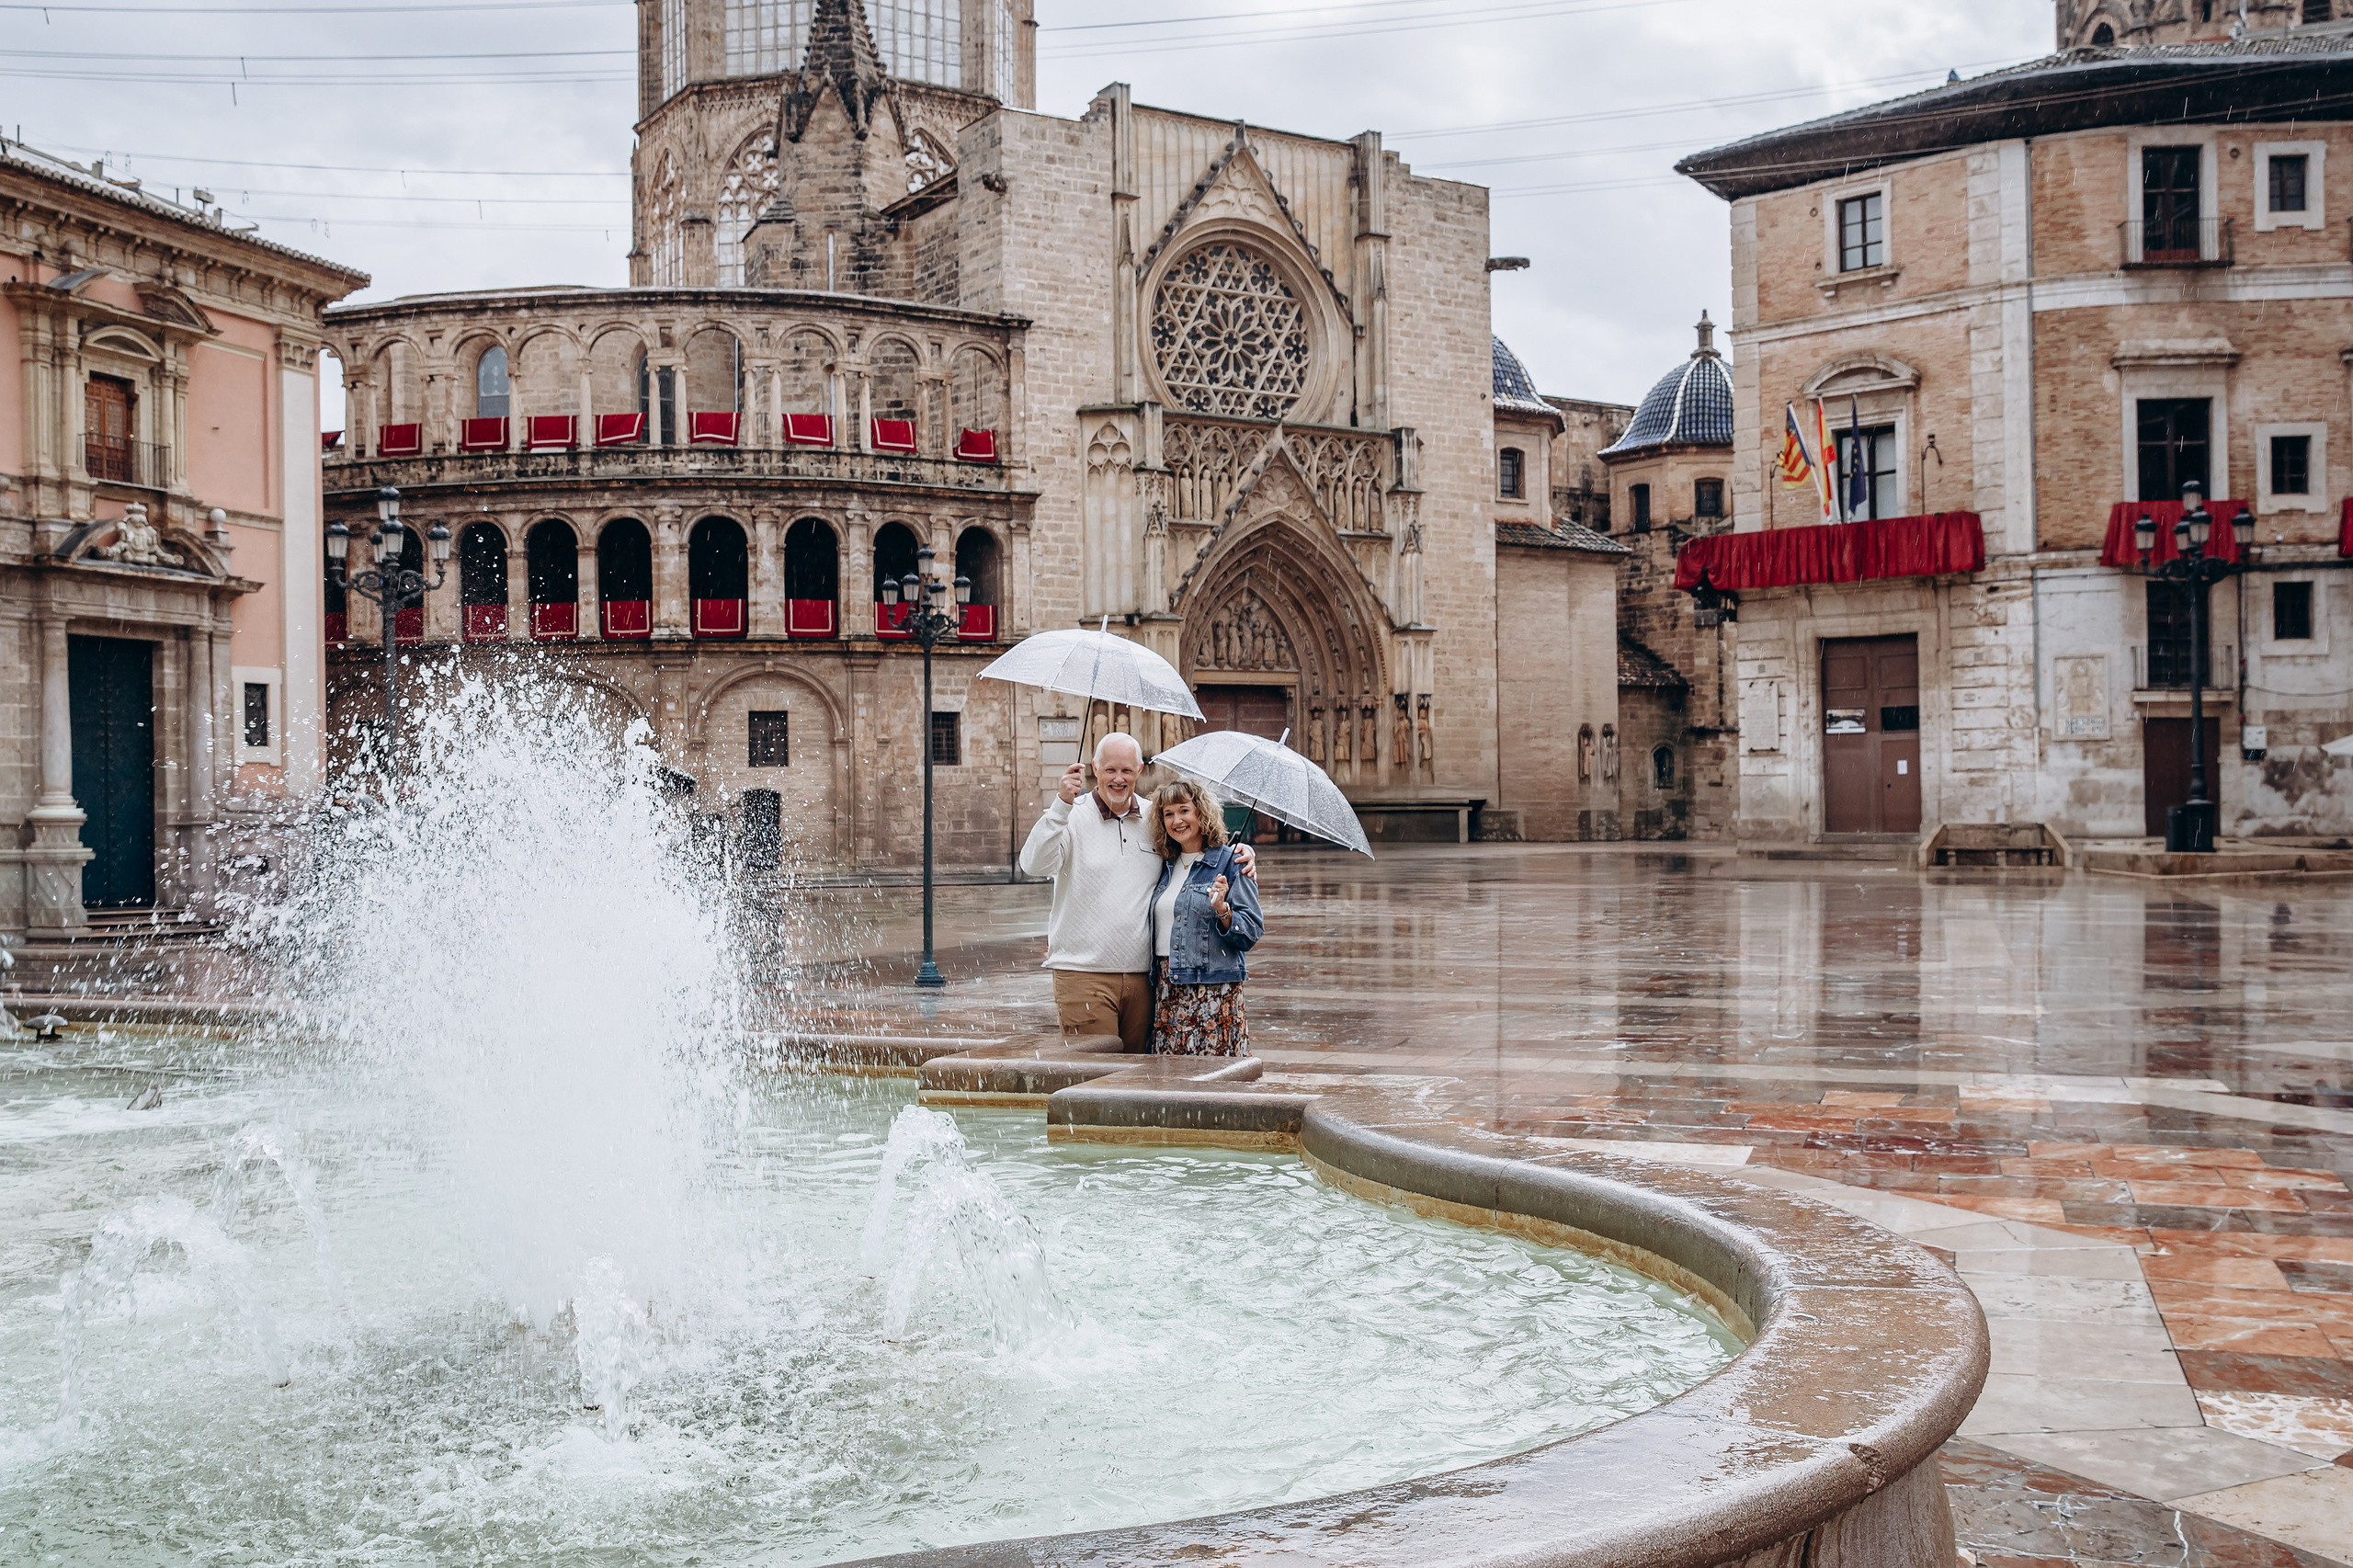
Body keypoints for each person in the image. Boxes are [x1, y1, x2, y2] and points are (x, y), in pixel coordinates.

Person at [1019, 733, 1256, 1050]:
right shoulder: (1071, 815)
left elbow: (1196, 852)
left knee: (1138, 1083)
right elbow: (1033, 864)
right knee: (1095, 1077)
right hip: (1084, 974)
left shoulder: (1154, 817)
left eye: (1127, 771)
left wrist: (1239, 853)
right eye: (1110, 770)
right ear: (1095, 769)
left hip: (1145, 979)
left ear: (1139, 770)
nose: (1118, 779)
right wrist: (1061, 806)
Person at [1148, 777, 1261, 1057]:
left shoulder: (1232, 862)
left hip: (1212, 993)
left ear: (1201, 812)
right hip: (1168, 990)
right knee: (1171, 1085)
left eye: (1184, 810)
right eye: (1169, 814)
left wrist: (1223, 910)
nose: (1177, 820)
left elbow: (1251, 931)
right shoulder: (1164, 865)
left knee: (1213, 1087)